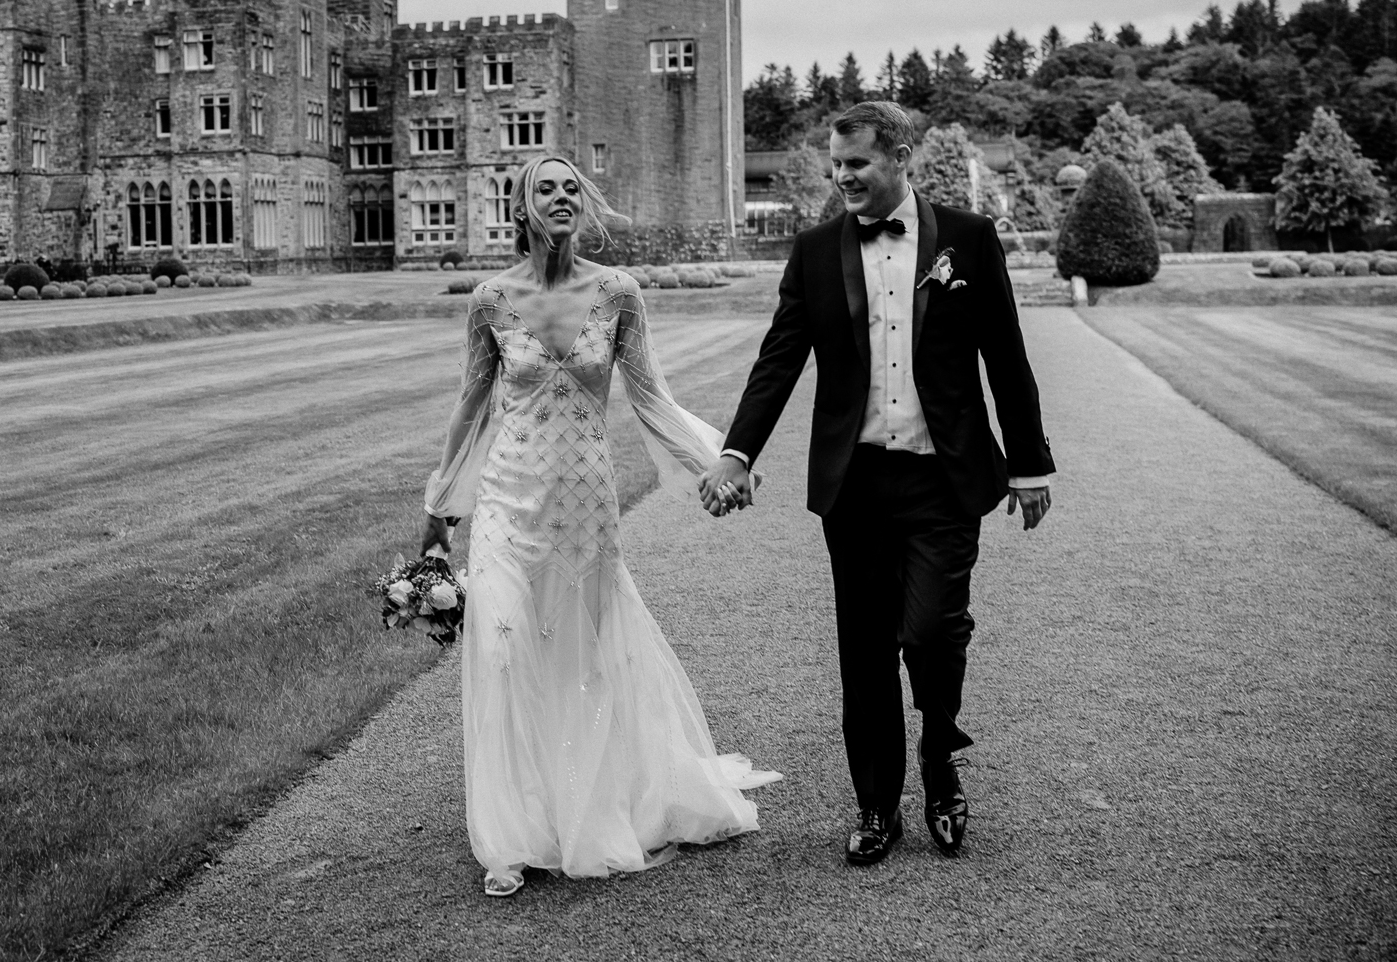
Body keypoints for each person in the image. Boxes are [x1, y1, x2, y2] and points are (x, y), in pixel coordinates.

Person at [697, 101, 1054, 865]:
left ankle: (939, 759)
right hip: (853, 484)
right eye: (835, 164)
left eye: (855, 163)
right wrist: (737, 453)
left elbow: (1007, 356)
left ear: (900, 157)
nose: (841, 177)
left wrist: (1028, 465)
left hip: (945, 477)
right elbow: (778, 361)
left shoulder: (967, 238)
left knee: (930, 632)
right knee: (863, 652)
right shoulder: (817, 248)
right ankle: (875, 806)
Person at [422, 155, 779, 898]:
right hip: (506, 503)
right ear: (522, 207)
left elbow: (651, 395)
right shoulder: (490, 300)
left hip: (587, 504)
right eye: (544, 188)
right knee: (502, 648)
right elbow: (469, 406)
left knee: (586, 655)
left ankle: (592, 802)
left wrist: (719, 460)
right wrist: (439, 509)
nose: (560, 197)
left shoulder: (618, 291)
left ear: (583, 205)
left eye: (570, 188)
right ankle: (513, 832)